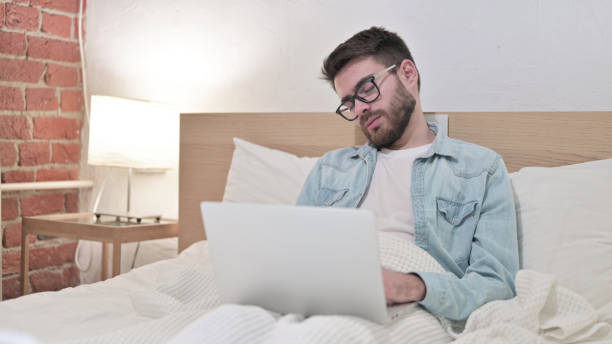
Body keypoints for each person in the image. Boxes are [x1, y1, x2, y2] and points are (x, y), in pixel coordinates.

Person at [296, 27, 519, 321]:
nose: (360, 109)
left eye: (366, 89)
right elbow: (294, 259)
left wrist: (411, 286)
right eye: (349, 103)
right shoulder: (330, 169)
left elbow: (496, 285)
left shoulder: (479, 169)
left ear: (408, 74)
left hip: (415, 310)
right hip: (327, 301)